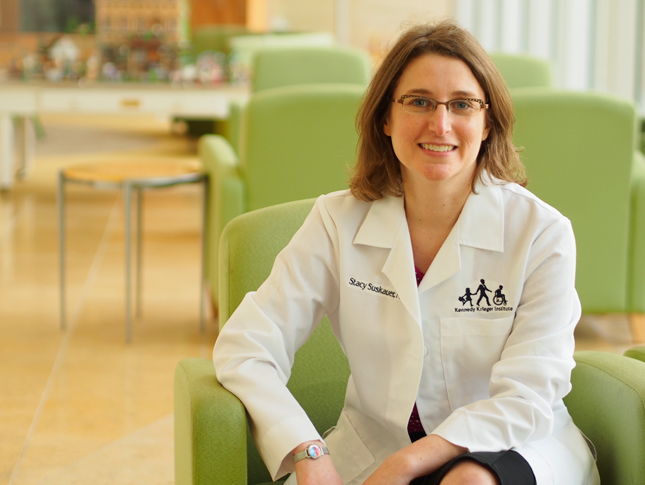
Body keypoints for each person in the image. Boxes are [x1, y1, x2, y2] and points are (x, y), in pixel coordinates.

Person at [213, 20, 600, 485]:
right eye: (418, 101)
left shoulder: (541, 233)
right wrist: (308, 450)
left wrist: (411, 462)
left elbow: (529, 394)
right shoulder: (338, 222)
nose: (440, 124)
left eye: (462, 104)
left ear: (487, 120)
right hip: (373, 446)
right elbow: (246, 345)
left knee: (468, 482)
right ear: (385, 117)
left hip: (514, 443)